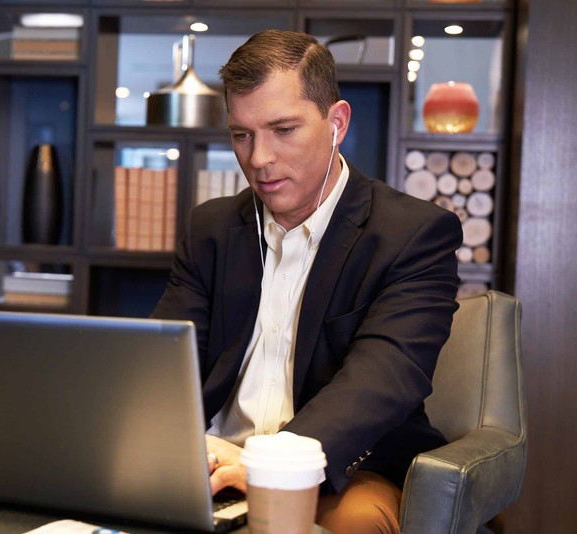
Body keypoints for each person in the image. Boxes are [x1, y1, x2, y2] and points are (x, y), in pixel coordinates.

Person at [151, 29, 463, 533]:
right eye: (242, 134)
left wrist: (267, 464)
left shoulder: (413, 234)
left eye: (283, 129)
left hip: (344, 468)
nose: (258, 158)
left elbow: (385, 376)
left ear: (336, 122)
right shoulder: (209, 228)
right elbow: (168, 364)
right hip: (211, 457)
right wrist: (175, 440)